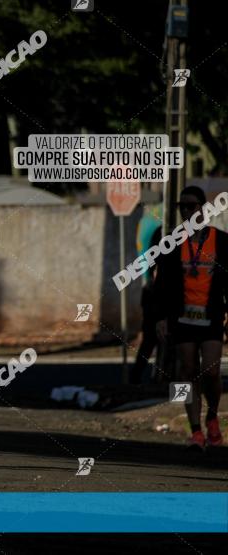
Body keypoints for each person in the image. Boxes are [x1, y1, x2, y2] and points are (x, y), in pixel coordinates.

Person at [153, 186, 224, 450]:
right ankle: (195, 430)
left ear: (203, 209)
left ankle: (213, 416)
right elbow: (162, 285)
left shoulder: (221, 240)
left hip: (212, 315)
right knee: (186, 370)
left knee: (213, 370)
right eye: (181, 206)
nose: (186, 210)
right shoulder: (171, 242)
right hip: (182, 317)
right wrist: (160, 317)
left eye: (191, 205)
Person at [130, 208, 162, 385]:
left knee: (151, 340)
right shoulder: (163, 234)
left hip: (152, 293)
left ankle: (153, 375)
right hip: (154, 294)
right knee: (151, 339)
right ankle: (139, 375)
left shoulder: (162, 232)